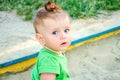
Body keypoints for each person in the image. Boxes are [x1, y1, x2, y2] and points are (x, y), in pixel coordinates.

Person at [31, 1, 71, 80]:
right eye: (55, 32)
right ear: (41, 39)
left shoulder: (53, 51)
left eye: (66, 30)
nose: (63, 36)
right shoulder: (49, 62)